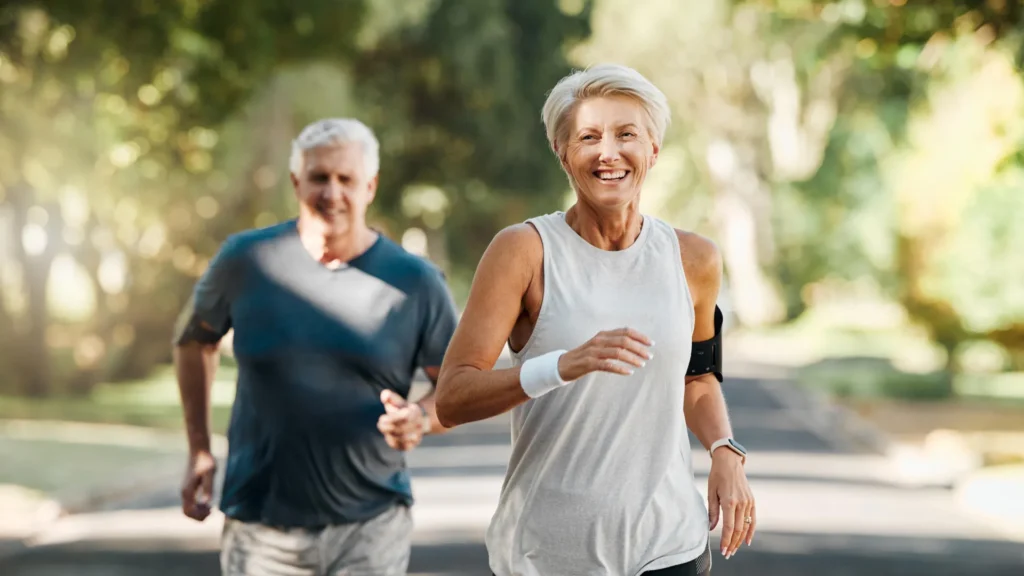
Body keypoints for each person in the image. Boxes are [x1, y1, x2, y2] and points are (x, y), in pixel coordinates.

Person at [434, 64, 756, 576]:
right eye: (588, 137)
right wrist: (562, 366)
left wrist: (723, 448)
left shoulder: (694, 259)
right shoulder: (524, 252)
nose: (609, 152)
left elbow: (697, 377)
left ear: (653, 150)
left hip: (669, 546)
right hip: (548, 554)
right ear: (563, 153)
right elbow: (452, 398)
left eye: (626, 134)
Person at [172, 118, 459, 576]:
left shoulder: (417, 282)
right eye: (319, 178)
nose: (332, 192)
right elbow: (194, 342)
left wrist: (422, 417)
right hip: (261, 528)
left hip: (372, 524)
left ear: (370, 185)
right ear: (296, 182)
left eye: (346, 179)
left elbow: (459, 387)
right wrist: (199, 449)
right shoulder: (246, 261)